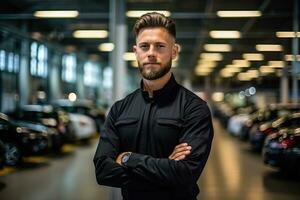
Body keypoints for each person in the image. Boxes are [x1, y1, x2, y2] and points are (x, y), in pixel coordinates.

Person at [93, 12, 214, 200]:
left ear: (174, 51)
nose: (151, 53)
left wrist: (128, 158)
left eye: (160, 46)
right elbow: (103, 171)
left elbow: (185, 173)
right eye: (144, 46)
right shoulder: (119, 109)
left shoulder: (195, 108)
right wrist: (166, 169)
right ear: (135, 51)